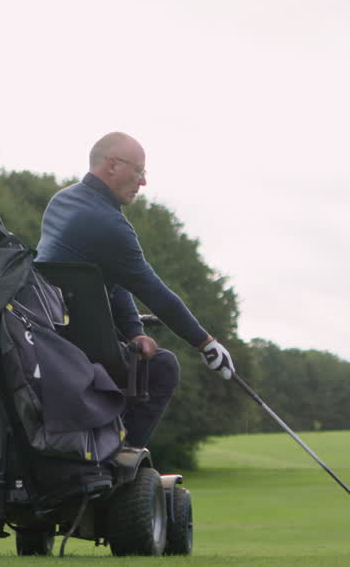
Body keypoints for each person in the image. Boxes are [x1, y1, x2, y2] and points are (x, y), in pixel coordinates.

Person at [36, 131, 235, 448]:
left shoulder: (62, 202)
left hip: (47, 343)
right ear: (112, 165)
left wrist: (133, 331)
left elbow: (112, 280)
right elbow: (153, 291)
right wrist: (206, 344)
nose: (143, 182)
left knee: (142, 357)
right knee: (163, 367)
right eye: (139, 171)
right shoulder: (110, 224)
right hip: (83, 353)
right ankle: (119, 457)